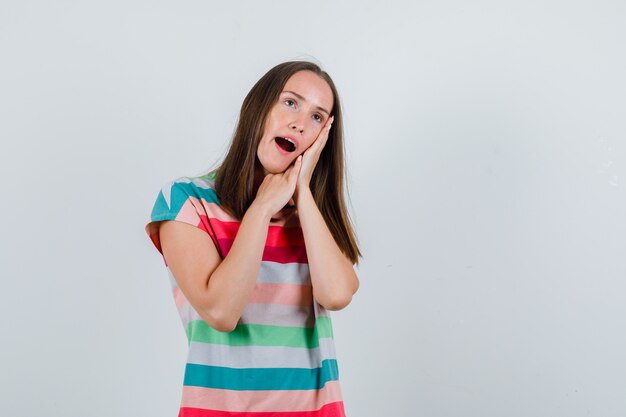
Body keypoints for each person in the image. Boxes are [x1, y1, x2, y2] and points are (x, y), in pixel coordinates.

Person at [145, 60, 361, 416]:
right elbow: (221, 311)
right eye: (290, 102)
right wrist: (262, 208)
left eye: (317, 117)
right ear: (258, 107)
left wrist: (302, 193)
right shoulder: (186, 201)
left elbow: (336, 295)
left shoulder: (313, 220)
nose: (299, 123)